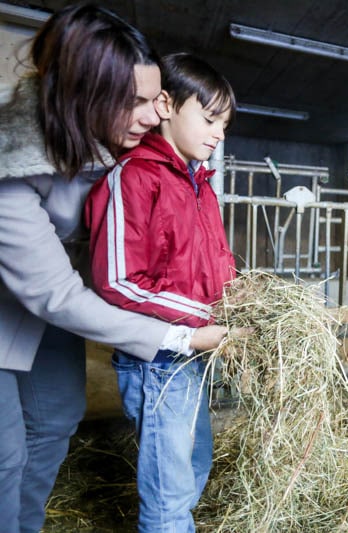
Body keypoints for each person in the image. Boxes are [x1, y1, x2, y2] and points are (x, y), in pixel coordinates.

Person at [0, 5, 228, 532]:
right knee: (5, 454)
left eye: (157, 100)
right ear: (85, 98)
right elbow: (58, 292)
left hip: (44, 314)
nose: (154, 117)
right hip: (30, 300)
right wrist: (182, 336)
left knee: (55, 420)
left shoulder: (111, 151)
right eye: (138, 103)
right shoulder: (12, 169)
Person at [84, 52, 236, 532]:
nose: (219, 134)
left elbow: (216, 261)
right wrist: (201, 316)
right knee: (169, 491)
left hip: (194, 353)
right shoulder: (135, 176)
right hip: (157, 359)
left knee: (196, 462)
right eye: (210, 119)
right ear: (167, 104)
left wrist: (237, 295)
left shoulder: (200, 183)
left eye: (225, 124)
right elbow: (118, 279)